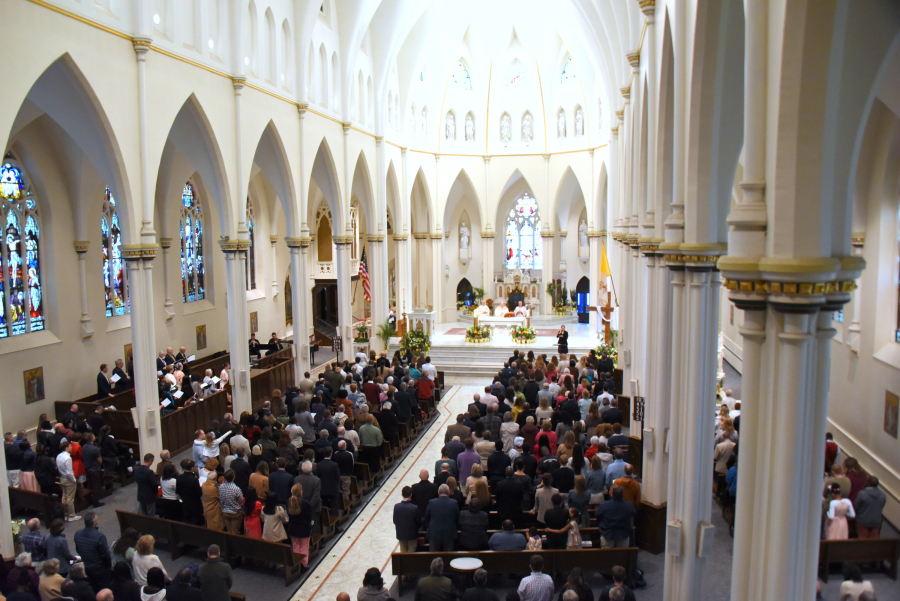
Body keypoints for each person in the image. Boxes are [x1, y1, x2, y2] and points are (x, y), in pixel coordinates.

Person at [72, 511, 111, 590]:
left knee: (92, 588)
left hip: (86, 567)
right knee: (102, 589)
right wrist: (107, 566)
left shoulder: (78, 533)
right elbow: (106, 555)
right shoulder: (100, 536)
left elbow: (78, 549)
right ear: (94, 522)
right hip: (99, 569)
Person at [424, 484, 460, 552]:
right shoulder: (453, 503)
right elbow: (457, 517)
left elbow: (427, 517)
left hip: (434, 532)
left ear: (438, 492)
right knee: (448, 556)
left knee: (434, 556)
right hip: (449, 533)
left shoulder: (432, 502)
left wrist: (430, 527)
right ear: (449, 493)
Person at [286, 484, 313, 570]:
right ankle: (304, 565)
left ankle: (296, 564)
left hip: (292, 529)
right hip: (304, 529)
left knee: (295, 546)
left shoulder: (288, 502)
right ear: (301, 492)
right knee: (304, 547)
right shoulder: (306, 504)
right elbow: (309, 517)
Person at [56, 442, 80, 522]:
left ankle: (65, 514)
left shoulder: (58, 456)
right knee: (70, 498)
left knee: (64, 496)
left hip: (62, 478)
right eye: (70, 446)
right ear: (66, 448)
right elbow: (69, 472)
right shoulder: (68, 458)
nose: (71, 447)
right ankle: (72, 515)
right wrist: (74, 480)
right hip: (69, 479)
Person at [176, 460, 204, 525]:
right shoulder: (194, 479)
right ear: (192, 468)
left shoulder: (179, 477)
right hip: (195, 504)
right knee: (195, 521)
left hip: (185, 503)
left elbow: (177, 490)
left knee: (187, 520)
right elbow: (199, 493)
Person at [392, 486, 420, 553]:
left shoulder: (397, 507)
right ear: (411, 494)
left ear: (402, 494)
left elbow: (395, 521)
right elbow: (419, 522)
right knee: (411, 552)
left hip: (401, 534)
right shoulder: (414, 507)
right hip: (412, 535)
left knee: (403, 552)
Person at [219, 469, 244, 534]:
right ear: (233, 477)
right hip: (235, 513)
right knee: (235, 532)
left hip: (225, 511)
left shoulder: (221, 487)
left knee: (228, 531)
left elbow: (221, 499)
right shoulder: (236, 489)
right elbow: (241, 501)